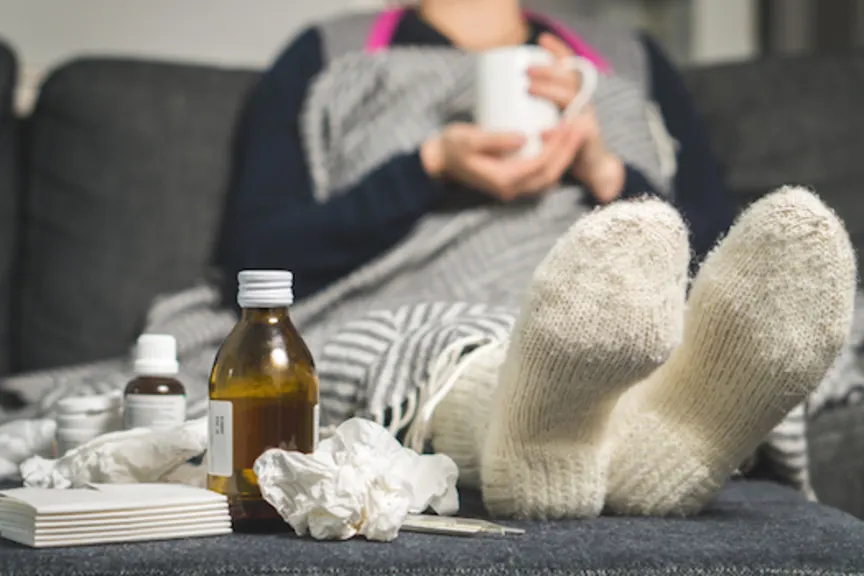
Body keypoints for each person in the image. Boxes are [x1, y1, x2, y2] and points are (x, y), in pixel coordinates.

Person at [216, 0, 856, 519]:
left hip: (619, 287)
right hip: (413, 281)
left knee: (644, 320)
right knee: (449, 330)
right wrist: (430, 167)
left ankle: (633, 443)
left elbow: (719, 244)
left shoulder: (629, 59)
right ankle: (578, 431)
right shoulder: (328, 54)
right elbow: (257, 255)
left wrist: (607, 172)